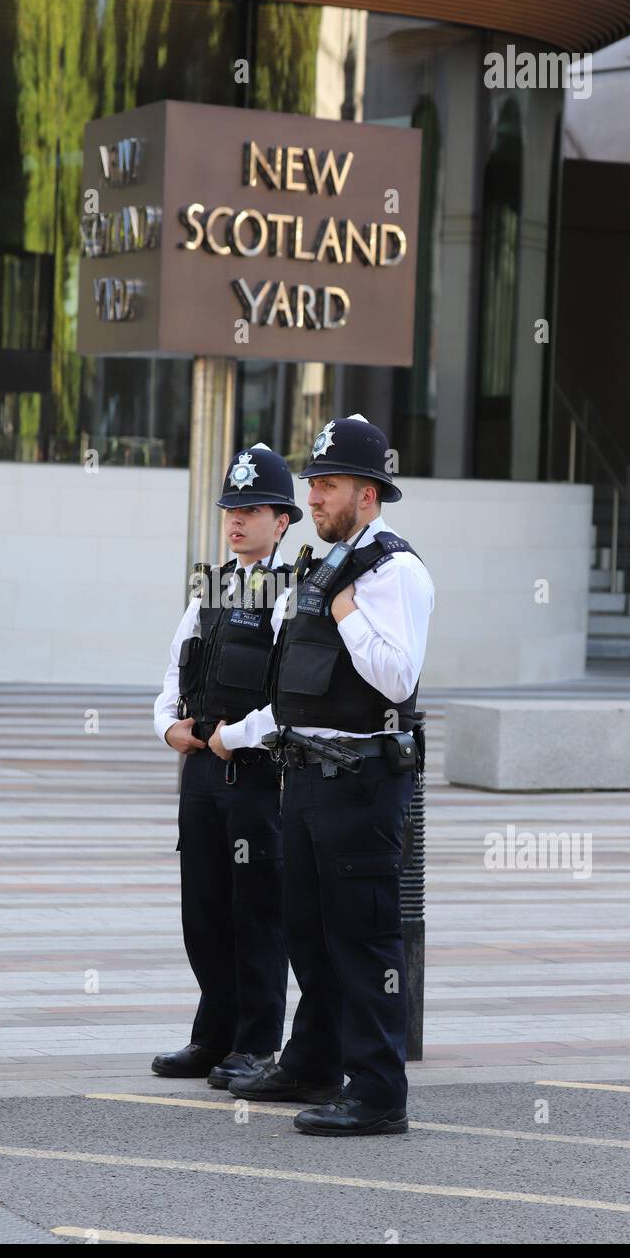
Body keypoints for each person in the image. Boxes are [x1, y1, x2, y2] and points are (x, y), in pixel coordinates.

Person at [208, 414, 435, 1135]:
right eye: (312, 486)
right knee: (308, 932)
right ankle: (312, 1062)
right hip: (305, 775)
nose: (314, 499)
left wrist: (344, 610)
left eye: (327, 487)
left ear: (368, 495)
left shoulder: (395, 571)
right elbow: (294, 688)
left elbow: (396, 677)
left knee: (362, 939)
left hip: (360, 780)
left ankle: (377, 1092)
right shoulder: (321, 566)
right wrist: (234, 736)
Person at [152, 444, 302, 1089]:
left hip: (256, 772)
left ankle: (257, 1042)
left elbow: (294, 691)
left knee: (256, 910)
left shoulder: (294, 590)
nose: (237, 520)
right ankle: (213, 1036)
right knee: (203, 907)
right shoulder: (211, 582)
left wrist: (235, 737)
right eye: (231, 508)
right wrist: (168, 725)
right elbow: (174, 666)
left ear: (284, 520)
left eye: (253, 508)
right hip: (203, 769)